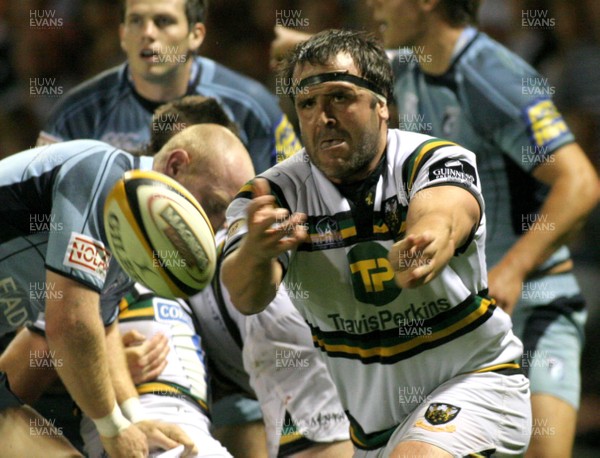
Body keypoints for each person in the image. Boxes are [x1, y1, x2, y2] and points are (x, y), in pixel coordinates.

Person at [222, 29, 532, 457]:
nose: (322, 117)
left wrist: (424, 241)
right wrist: (257, 251)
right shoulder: (270, 197)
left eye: (340, 97)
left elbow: (445, 212)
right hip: (373, 432)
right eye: (307, 103)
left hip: (478, 381)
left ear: (382, 103)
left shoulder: (434, 159)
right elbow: (245, 295)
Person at [367, 1, 600, 456]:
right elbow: (352, 64)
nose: (373, 3)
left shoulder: (491, 75)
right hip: (458, 317)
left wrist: (512, 269)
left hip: (533, 309)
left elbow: (580, 183)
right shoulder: (412, 65)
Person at [0, 127, 239, 456]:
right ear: (174, 166)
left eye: (224, 222)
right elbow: (71, 322)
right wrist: (111, 426)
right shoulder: (104, 173)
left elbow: (103, 324)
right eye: (213, 207)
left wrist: (134, 418)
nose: (211, 231)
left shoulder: (133, 234)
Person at [148, 98, 352, 457]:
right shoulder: (120, 212)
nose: (223, 225)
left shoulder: (274, 308)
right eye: (216, 206)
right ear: (175, 163)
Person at [36, 0, 301, 172]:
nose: (148, 33)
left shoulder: (253, 105)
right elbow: (36, 202)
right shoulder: (76, 113)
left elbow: (295, 193)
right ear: (122, 35)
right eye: (136, 21)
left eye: (164, 21)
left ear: (196, 35)